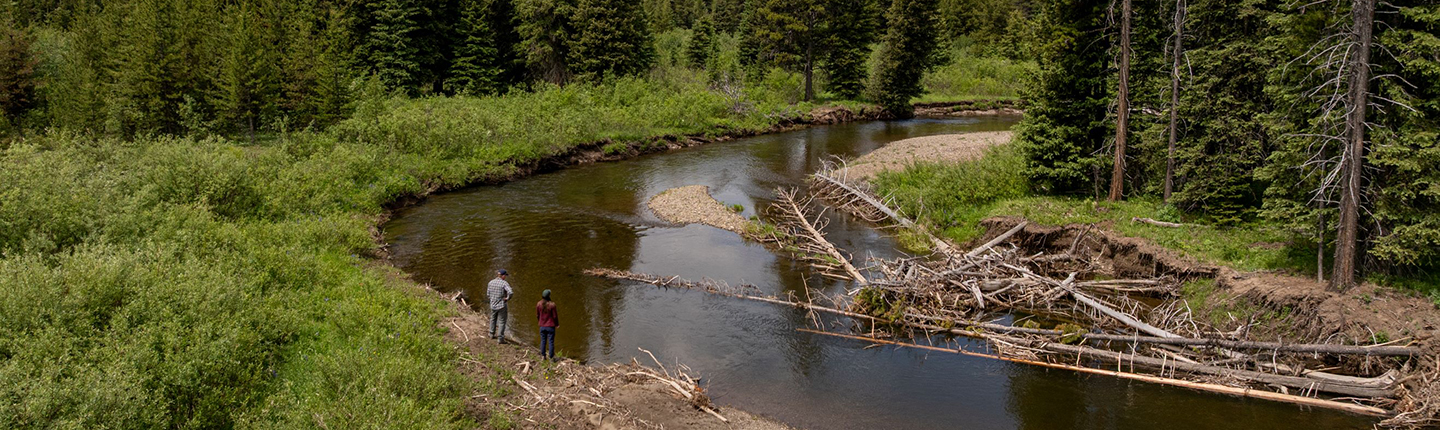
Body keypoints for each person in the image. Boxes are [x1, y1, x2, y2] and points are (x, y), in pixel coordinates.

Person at [487, 269, 513, 343]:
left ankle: (491, 334)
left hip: (492, 305)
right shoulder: (504, 283)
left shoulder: (490, 282)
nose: (505, 277)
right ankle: (500, 338)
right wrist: (507, 298)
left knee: (493, 319)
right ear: (503, 276)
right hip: (502, 305)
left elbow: (488, 294)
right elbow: (510, 292)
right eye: (505, 276)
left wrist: (493, 299)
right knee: (502, 321)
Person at [536, 289, 559, 360]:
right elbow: (555, 316)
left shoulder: (538, 304)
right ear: (549, 296)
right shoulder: (552, 305)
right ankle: (551, 357)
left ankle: (543, 356)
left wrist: (540, 322)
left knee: (543, 341)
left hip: (542, 326)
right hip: (550, 326)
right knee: (551, 341)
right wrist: (557, 324)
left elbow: (537, 315)